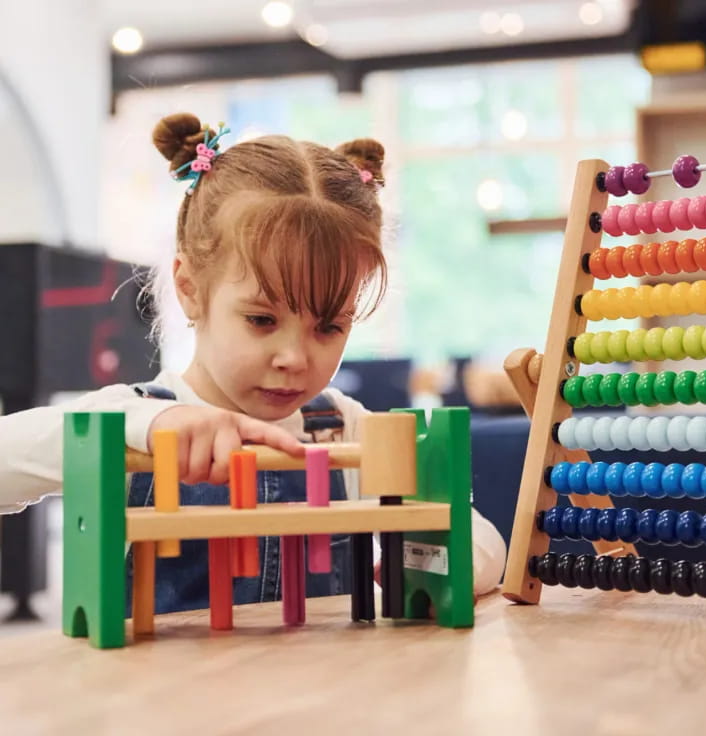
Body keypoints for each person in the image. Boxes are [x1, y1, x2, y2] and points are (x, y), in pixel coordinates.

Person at [0, 112, 507, 613]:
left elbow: (478, 537)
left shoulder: (343, 428)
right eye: (262, 320)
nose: (293, 357)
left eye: (329, 327)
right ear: (190, 290)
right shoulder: (133, 420)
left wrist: (452, 562)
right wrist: (142, 426)